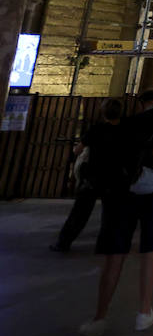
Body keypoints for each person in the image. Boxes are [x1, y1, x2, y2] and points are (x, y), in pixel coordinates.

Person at [80, 89, 153, 336]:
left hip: (124, 193)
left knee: (114, 254)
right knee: (151, 252)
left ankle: (99, 317)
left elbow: (108, 159)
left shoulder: (127, 124)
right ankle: (144, 313)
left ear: (141, 103)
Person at [51, 98, 124, 253]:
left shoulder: (97, 129)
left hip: (94, 176)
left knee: (79, 213)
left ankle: (63, 243)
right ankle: (104, 246)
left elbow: (78, 150)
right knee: (111, 216)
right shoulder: (125, 131)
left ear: (103, 112)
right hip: (116, 178)